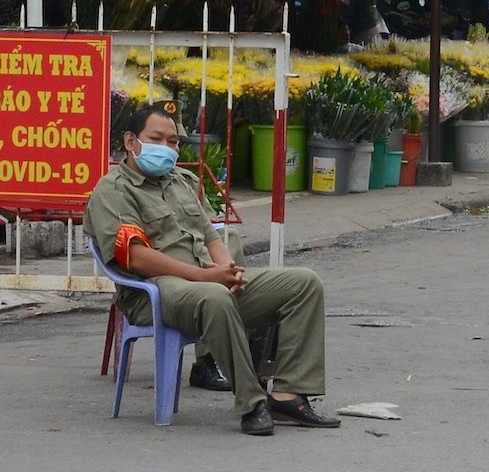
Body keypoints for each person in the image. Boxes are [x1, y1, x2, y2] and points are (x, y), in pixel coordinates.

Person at [84, 105, 341, 436]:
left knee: (303, 284)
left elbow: (209, 235)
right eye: (156, 139)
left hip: (205, 281)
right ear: (130, 141)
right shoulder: (112, 190)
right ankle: (252, 403)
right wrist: (207, 278)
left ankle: (287, 396)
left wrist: (227, 269)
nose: (166, 148)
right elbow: (137, 258)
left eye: (173, 141)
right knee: (215, 297)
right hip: (155, 291)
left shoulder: (182, 182)